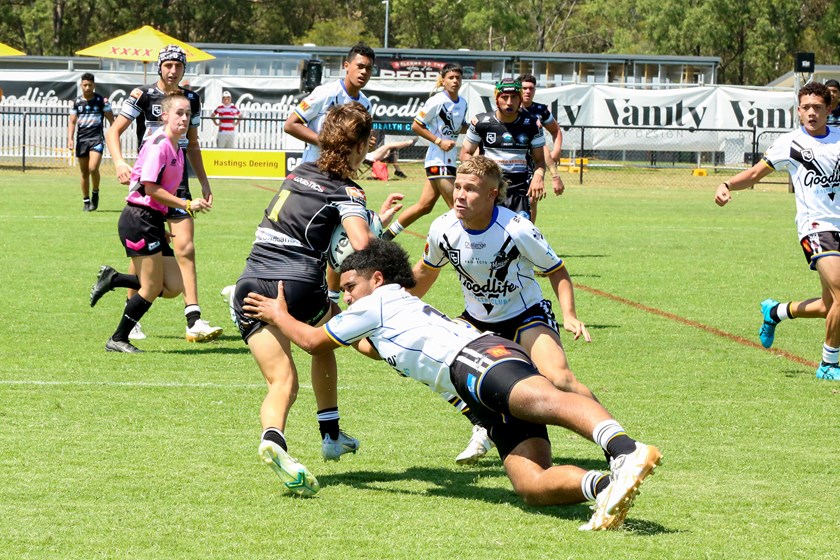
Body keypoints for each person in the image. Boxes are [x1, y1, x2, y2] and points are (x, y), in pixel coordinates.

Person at [242, 239, 662, 530]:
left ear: (379, 279)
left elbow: (315, 342)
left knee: (546, 399)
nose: (348, 297)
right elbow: (369, 348)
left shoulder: (380, 301)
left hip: (474, 359)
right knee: (531, 483)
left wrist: (279, 315)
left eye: (351, 287)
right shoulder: (383, 313)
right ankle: (607, 488)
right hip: (472, 388)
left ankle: (625, 450)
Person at [228, 102, 402, 495]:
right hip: (300, 285)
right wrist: (380, 238)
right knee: (333, 339)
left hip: (251, 282)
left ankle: (273, 439)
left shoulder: (299, 172)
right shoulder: (349, 191)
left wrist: (377, 220)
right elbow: (359, 246)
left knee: (282, 380)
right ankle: (331, 432)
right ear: (360, 148)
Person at [411, 155, 595, 464]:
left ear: (491, 194)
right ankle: (484, 423)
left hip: (526, 315)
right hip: (477, 321)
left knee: (559, 379)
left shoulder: (517, 229)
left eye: (470, 189)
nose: (459, 194)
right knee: (439, 363)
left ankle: (615, 441)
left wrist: (570, 315)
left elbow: (557, 270)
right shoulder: (442, 228)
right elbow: (427, 272)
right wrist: (394, 304)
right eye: (457, 186)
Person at [714, 81, 840, 381]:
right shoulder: (790, 143)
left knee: (829, 305)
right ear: (798, 111)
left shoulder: (838, 138)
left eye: (818, 108)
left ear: (829, 110)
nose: (811, 113)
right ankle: (829, 364)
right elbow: (756, 174)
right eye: (806, 108)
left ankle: (776, 312)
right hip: (816, 228)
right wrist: (727, 184)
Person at [105, 45, 222, 344]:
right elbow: (113, 132)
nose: (173, 70)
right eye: (168, 65)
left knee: (187, 248)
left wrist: (205, 183)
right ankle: (131, 317)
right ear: (159, 67)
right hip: (150, 186)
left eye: (178, 66)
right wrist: (119, 162)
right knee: (144, 253)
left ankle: (194, 319)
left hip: (179, 185)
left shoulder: (190, 99)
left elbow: (193, 144)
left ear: (184, 69)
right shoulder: (142, 96)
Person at [89, 94, 212, 353]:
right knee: (152, 286)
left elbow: (157, 193)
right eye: (179, 113)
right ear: (164, 116)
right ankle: (119, 338)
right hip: (138, 218)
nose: (184, 118)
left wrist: (162, 225)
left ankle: (113, 278)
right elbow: (150, 188)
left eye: (188, 114)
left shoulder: (177, 147)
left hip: (151, 219)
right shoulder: (159, 145)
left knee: (172, 287)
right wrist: (187, 205)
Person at [383, 63, 468, 240]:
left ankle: (387, 237)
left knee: (424, 206)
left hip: (449, 160)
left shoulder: (463, 103)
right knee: (457, 206)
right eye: (451, 78)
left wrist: (477, 128)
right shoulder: (437, 101)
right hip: (438, 159)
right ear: (443, 81)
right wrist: (438, 141)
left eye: (458, 77)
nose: (455, 81)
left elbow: (458, 128)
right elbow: (416, 125)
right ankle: (464, 246)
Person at [460, 78, 546, 222]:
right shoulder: (481, 122)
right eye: (504, 97)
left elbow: (540, 161)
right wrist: (480, 172)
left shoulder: (532, 124)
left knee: (521, 236)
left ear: (520, 100)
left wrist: (538, 176)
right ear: (496, 99)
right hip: (489, 188)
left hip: (519, 190)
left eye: (514, 97)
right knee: (484, 233)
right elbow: (465, 153)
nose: (509, 102)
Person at [284, 43, 375, 164]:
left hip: (341, 172)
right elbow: (290, 125)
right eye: (360, 66)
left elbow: (360, 144)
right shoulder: (325, 93)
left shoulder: (366, 104)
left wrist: (367, 145)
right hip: (314, 169)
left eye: (368, 68)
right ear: (346, 66)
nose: (364, 72)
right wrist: (326, 142)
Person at [518, 73, 565, 223]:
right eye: (524, 88)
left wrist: (556, 150)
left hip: (534, 162)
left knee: (532, 199)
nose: (527, 91)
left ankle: (529, 232)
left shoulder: (540, 110)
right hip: (514, 160)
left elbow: (556, 131)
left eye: (531, 88)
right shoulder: (510, 109)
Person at [67, 72, 114, 212]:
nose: (87, 88)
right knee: (84, 172)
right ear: (81, 85)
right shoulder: (76, 102)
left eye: (90, 85)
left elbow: (112, 121)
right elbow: (72, 122)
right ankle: (86, 201)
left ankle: (95, 193)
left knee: (93, 168)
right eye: (85, 85)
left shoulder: (101, 101)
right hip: (82, 140)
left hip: (96, 139)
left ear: (94, 85)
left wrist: (115, 136)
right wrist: (70, 139)